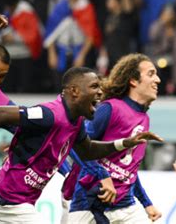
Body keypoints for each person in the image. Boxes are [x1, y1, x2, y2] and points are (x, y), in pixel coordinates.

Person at [0, 67, 162, 223]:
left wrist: (123, 143)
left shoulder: (76, 122)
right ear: (75, 91)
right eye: (94, 86)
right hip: (7, 202)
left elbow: (89, 151)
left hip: (15, 202)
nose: (100, 92)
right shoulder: (50, 114)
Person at [67, 53, 162, 223]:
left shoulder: (144, 119)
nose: (158, 80)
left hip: (126, 206)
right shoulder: (110, 109)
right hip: (91, 203)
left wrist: (146, 203)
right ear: (133, 80)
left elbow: (128, 170)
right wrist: (102, 175)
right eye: (151, 74)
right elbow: (77, 147)